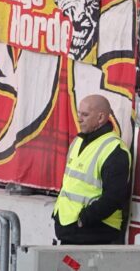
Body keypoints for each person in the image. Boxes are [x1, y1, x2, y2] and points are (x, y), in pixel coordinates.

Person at [52, 95, 130, 245]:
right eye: (79, 113)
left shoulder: (114, 149)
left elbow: (113, 198)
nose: (79, 118)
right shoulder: (77, 141)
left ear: (100, 118)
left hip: (94, 234)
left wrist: (83, 219)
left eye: (85, 114)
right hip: (70, 230)